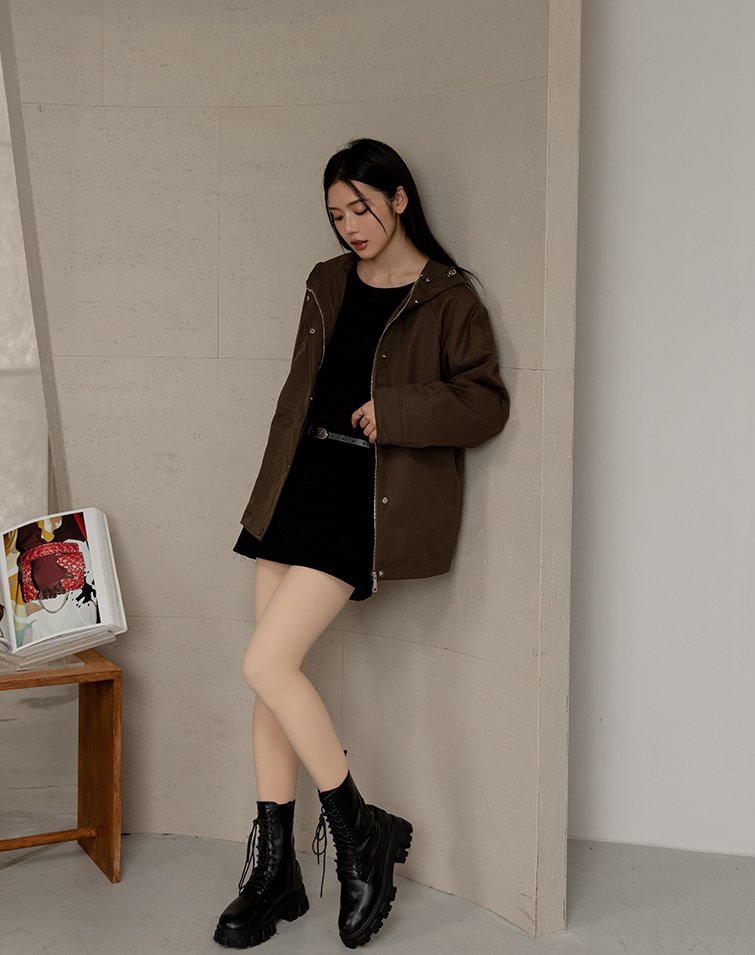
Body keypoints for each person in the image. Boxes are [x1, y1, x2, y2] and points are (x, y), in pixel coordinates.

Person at [215, 139, 509, 950]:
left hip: (360, 497)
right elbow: (299, 390)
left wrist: (399, 411)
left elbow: (485, 402)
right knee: (271, 680)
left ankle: (358, 828)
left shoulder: (448, 296)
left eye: (362, 208)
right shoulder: (326, 280)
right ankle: (275, 871)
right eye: (336, 213)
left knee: (265, 663)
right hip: (293, 485)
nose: (350, 225)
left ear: (399, 198)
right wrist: (268, 488)